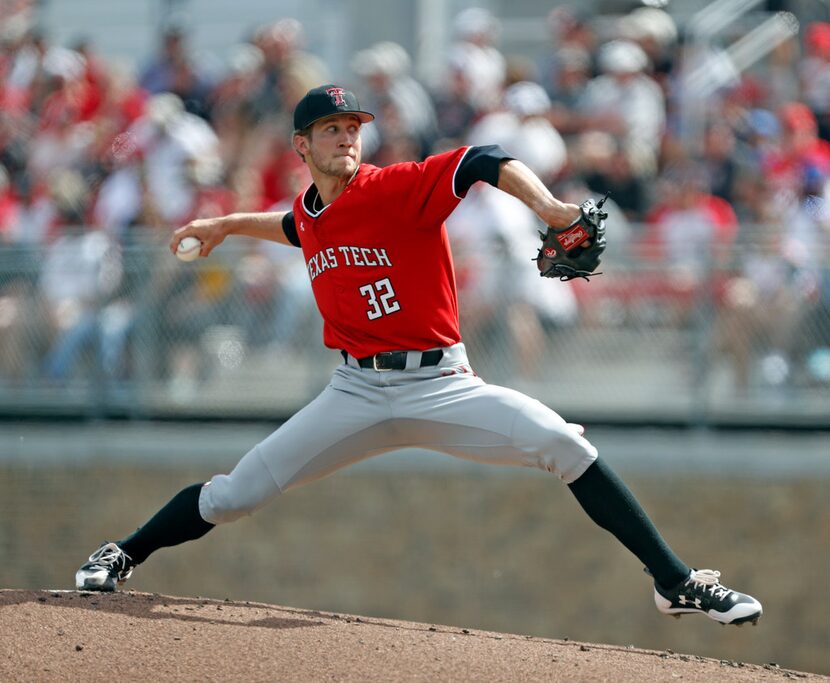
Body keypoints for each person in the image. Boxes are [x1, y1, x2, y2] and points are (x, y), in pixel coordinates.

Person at [75, 84, 763, 626]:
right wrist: (226, 224)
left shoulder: (395, 188)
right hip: (354, 393)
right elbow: (294, 226)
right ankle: (122, 552)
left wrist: (553, 210)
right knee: (233, 494)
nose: (347, 136)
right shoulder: (313, 211)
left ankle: (675, 582)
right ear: (303, 146)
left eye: (354, 127)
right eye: (331, 129)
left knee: (563, 442)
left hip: (443, 384)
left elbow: (484, 159)